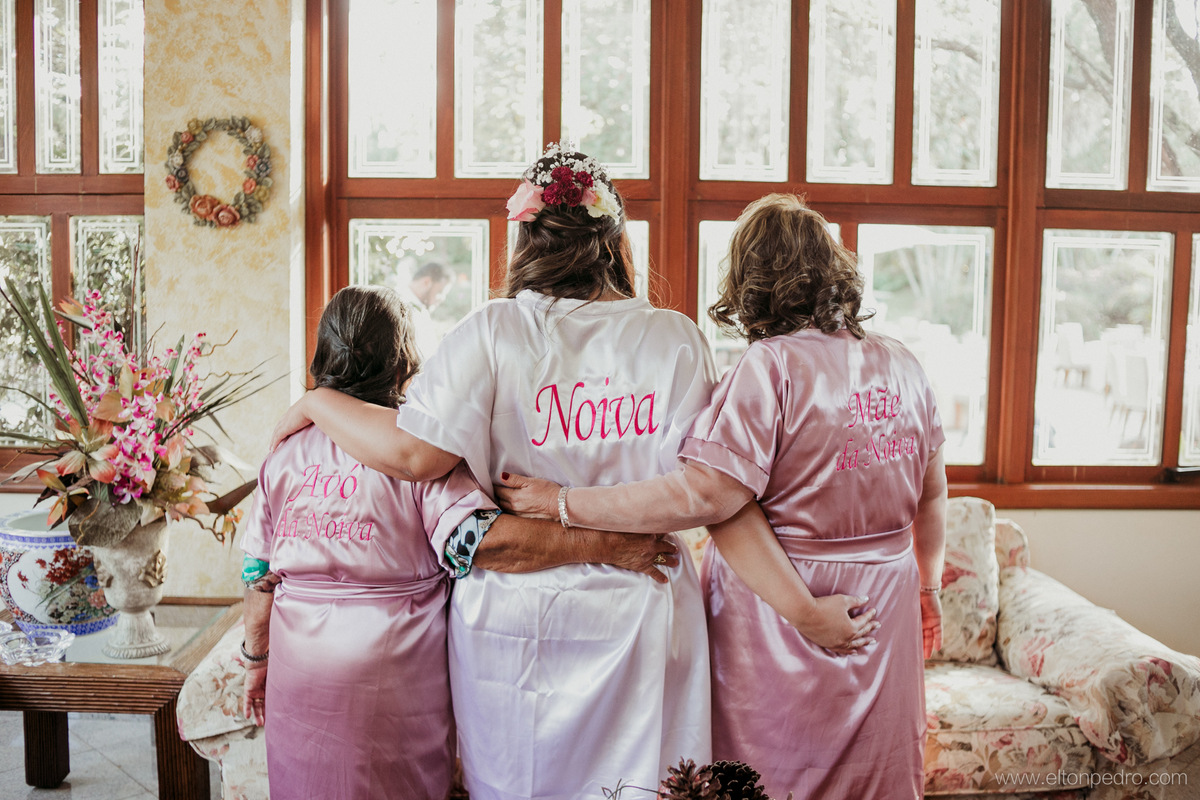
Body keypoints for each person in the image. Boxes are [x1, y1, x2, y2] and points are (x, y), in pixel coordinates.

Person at [268, 144, 730, 800]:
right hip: (643, 599)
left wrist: (318, 400)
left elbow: (414, 457)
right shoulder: (675, 338)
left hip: (519, 620)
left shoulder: (490, 330)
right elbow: (701, 491)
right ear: (613, 240)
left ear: (526, 239)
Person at [498, 194, 948, 800]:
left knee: (772, 772)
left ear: (750, 280)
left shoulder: (772, 366)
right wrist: (927, 590)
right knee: (877, 770)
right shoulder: (904, 362)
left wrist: (563, 502)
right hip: (886, 600)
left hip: (784, 603)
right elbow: (933, 494)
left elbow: (706, 496)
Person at [241, 285, 681, 800]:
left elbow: (257, 575)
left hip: (298, 667)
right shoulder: (412, 450)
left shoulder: (283, 450)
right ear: (403, 362)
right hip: (392, 669)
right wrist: (609, 547)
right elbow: (479, 542)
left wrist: (256, 660)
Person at [402, 261, 454, 359]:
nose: (442, 299)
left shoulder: (422, 310)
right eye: (440, 292)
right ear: (426, 282)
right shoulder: (397, 306)